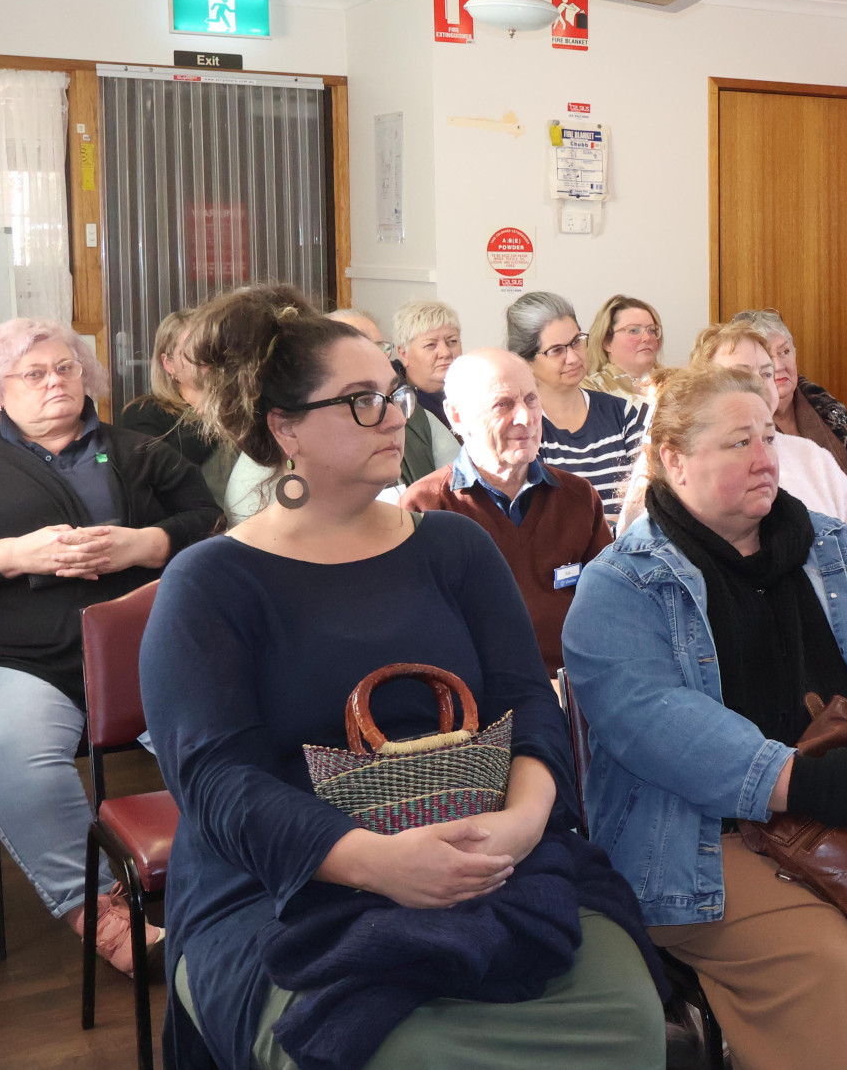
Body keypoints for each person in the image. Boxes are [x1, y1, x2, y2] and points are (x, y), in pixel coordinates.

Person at [141, 284, 664, 1070]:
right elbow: (218, 784)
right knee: (404, 1051)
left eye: (389, 391)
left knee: (627, 1015)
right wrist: (377, 862)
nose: (393, 414)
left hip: (484, 848)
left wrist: (520, 825)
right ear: (285, 429)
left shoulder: (453, 548)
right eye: (359, 401)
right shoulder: (211, 582)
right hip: (290, 884)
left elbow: (528, 703)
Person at [562, 363, 847, 1070]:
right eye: (738, 441)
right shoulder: (620, 582)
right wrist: (808, 784)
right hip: (711, 837)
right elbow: (655, 722)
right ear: (673, 458)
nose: (765, 458)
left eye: (769, 436)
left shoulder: (831, 544)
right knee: (824, 964)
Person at [0, 318, 219, 974]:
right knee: (12, 748)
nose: (55, 381)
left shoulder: (140, 451)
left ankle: (234, 874)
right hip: (3, 660)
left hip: (138, 655)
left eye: (67, 368)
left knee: (221, 729)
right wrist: (7, 555)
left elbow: (210, 522)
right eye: (34, 372)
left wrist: (147, 543)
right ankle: (102, 912)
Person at [401, 348, 611, 671]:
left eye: (531, 399)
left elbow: (610, 612)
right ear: (456, 416)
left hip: (574, 694)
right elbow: (418, 637)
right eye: (503, 404)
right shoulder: (425, 508)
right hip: (476, 707)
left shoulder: (577, 499)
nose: (525, 418)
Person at [618, 324, 847, 565]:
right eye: (740, 374)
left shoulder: (809, 454)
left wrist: (822, 560)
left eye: (766, 373)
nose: (758, 384)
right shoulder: (677, 459)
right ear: (704, 384)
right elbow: (637, 549)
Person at [508, 292, 646, 531]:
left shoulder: (624, 414)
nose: (572, 357)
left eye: (575, 342)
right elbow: (541, 519)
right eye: (556, 350)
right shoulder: (523, 428)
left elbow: (649, 499)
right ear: (526, 360)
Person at [728, 309, 847, 501]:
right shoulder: (742, 426)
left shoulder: (823, 404)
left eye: (785, 352)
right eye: (768, 357)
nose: (779, 365)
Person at [117, 307, 220, 472]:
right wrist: (217, 417)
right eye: (192, 349)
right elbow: (159, 470)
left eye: (210, 346)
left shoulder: (242, 403)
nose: (206, 356)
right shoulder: (144, 413)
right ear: (169, 363)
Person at [391, 300, 465, 487]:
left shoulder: (477, 395)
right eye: (431, 345)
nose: (445, 352)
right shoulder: (396, 410)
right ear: (404, 354)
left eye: (452, 342)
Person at [583, 295, 664, 409]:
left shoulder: (676, 383)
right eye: (634, 330)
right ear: (607, 342)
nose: (647, 338)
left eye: (652, 330)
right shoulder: (590, 390)